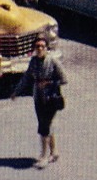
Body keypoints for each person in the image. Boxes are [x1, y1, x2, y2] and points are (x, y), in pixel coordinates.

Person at [12, 37, 67, 168]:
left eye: (42, 46)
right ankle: (54, 152)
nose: (40, 49)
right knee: (46, 125)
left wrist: (48, 82)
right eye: (37, 46)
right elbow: (26, 78)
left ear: (47, 48)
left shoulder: (53, 61)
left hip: (51, 98)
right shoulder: (33, 61)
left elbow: (64, 79)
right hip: (38, 97)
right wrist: (16, 92)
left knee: (44, 126)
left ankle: (43, 156)